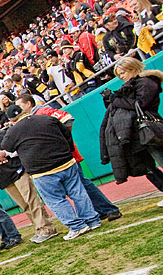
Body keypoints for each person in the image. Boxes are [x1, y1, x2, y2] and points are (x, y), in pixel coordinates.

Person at [0, 104, 101, 240]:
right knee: (78, 192)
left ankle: (77, 226)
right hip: (66, 162)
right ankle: (92, 220)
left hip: (42, 170)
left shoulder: (13, 131)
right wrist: (68, 151)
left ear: (12, 120)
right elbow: (67, 134)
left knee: (56, 200)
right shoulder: (46, 119)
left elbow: (7, 148)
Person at [16, 92, 122, 221]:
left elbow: (67, 118)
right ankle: (99, 210)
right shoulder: (32, 118)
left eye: (20, 106)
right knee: (78, 187)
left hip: (65, 155)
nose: (18, 110)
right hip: (59, 157)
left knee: (82, 184)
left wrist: (62, 140)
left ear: (28, 104)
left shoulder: (43, 112)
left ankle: (108, 209)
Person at [0, 114, 58, 243]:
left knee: (32, 201)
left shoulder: (3, 134)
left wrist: (6, 153)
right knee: (24, 205)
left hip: (17, 171)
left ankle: (47, 228)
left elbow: (18, 149)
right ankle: (38, 228)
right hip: (5, 178)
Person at [100, 57, 163, 203]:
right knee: (147, 167)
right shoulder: (135, 84)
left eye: (123, 73)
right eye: (119, 74)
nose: (122, 77)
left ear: (132, 68)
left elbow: (139, 104)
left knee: (159, 159)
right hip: (136, 132)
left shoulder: (147, 82)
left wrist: (115, 99)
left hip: (148, 128)